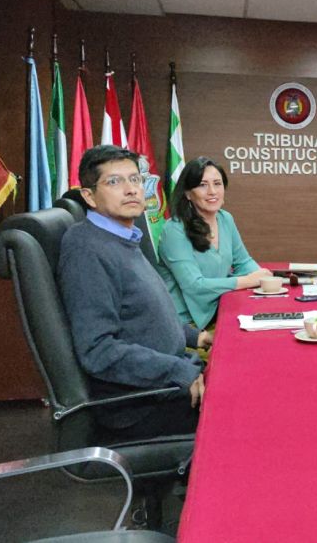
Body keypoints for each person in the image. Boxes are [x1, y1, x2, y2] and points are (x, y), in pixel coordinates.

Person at [57, 145, 211, 439]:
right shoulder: (87, 249)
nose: (131, 190)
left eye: (135, 179)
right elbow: (98, 350)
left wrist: (197, 337)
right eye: (114, 182)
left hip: (166, 381)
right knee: (252, 415)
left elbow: (143, 313)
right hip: (140, 406)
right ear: (89, 195)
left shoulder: (123, 236)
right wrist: (180, 373)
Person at [157, 157, 271, 330]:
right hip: (186, 327)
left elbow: (243, 262)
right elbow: (194, 286)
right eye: (203, 185)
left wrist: (265, 279)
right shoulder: (174, 230)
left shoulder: (225, 218)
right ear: (188, 193)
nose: (212, 191)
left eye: (217, 183)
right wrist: (248, 281)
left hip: (219, 311)